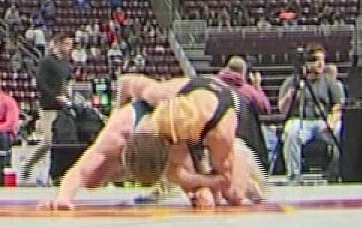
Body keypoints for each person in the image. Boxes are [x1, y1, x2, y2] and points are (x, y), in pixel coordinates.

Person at [45, 75, 263, 210]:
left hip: (222, 113)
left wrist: (203, 186)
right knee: (93, 180)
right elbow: (127, 82)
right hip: (181, 115)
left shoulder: (218, 132)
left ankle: (240, 154)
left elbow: (219, 178)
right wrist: (63, 197)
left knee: (232, 196)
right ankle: (194, 183)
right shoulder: (153, 98)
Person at [277, 44, 345, 182]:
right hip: (300, 120)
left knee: (340, 131)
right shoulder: (291, 81)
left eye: (322, 60)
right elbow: (282, 109)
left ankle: (334, 172)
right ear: (307, 62)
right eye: (315, 60)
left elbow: (338, 105)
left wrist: (332, 121)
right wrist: (291, 94)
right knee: (291, 132)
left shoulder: (329, 82)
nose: (320, 64)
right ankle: (294, 175)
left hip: (323, 122)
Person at [20, 35, 73, 184]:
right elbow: (41, 84)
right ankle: (27, 166)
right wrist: (56, 97)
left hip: (62, 108)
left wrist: (67, 96)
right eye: (67, 44)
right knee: (48, 141)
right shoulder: (47, 61)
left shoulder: (65, 63)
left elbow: (67, 81)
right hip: (48, 106)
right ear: (58, 44)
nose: (70, 48)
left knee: (61, 142)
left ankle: (55, 175)